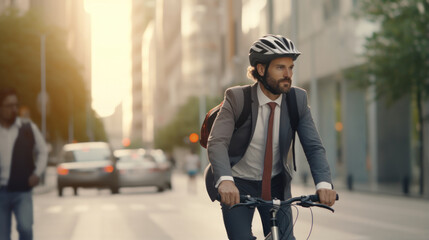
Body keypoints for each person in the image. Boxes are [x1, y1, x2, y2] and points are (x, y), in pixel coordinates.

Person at [207, 34, 337, 240]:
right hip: (238, 183)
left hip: (276, 183)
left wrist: (323, 184)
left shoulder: (297, 100)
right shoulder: (237, 98)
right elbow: (217, 142)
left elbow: (313, 147)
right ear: (261, 69)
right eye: (280, 68)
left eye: (291, 67)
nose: (288, 74)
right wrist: (225, 181)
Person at [0, 88, 48, 240]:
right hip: (0, 192)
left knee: (26, 229)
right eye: (9, 106)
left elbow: (43, 151)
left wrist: (37, 173)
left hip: (22, 190)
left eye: (16, 105)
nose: (14, 109)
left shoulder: (28, 128)